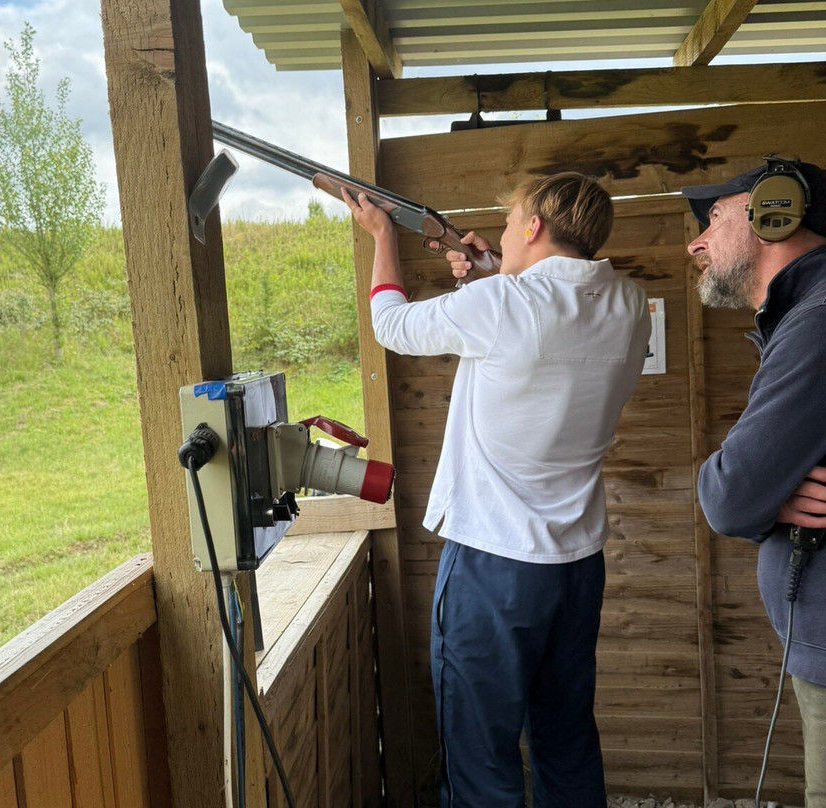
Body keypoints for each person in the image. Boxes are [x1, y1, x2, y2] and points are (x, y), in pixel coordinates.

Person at [343, 173, 651, 808]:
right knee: (566, 740)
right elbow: (543, 323)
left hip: (493, 566)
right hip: (576, 566)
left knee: (480, 755)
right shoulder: (627, 304)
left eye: (511, 224)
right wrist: (491, 271)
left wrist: (382, 237)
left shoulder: (504, 304)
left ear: (534, 227)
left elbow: (392, 325)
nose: (503, 234)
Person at [681, 157, 826, 808]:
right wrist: (774, 491)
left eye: (713, 218)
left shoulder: (816, 320)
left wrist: (760, 492)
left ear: (775, 211)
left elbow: (729, 495)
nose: (695, 244)